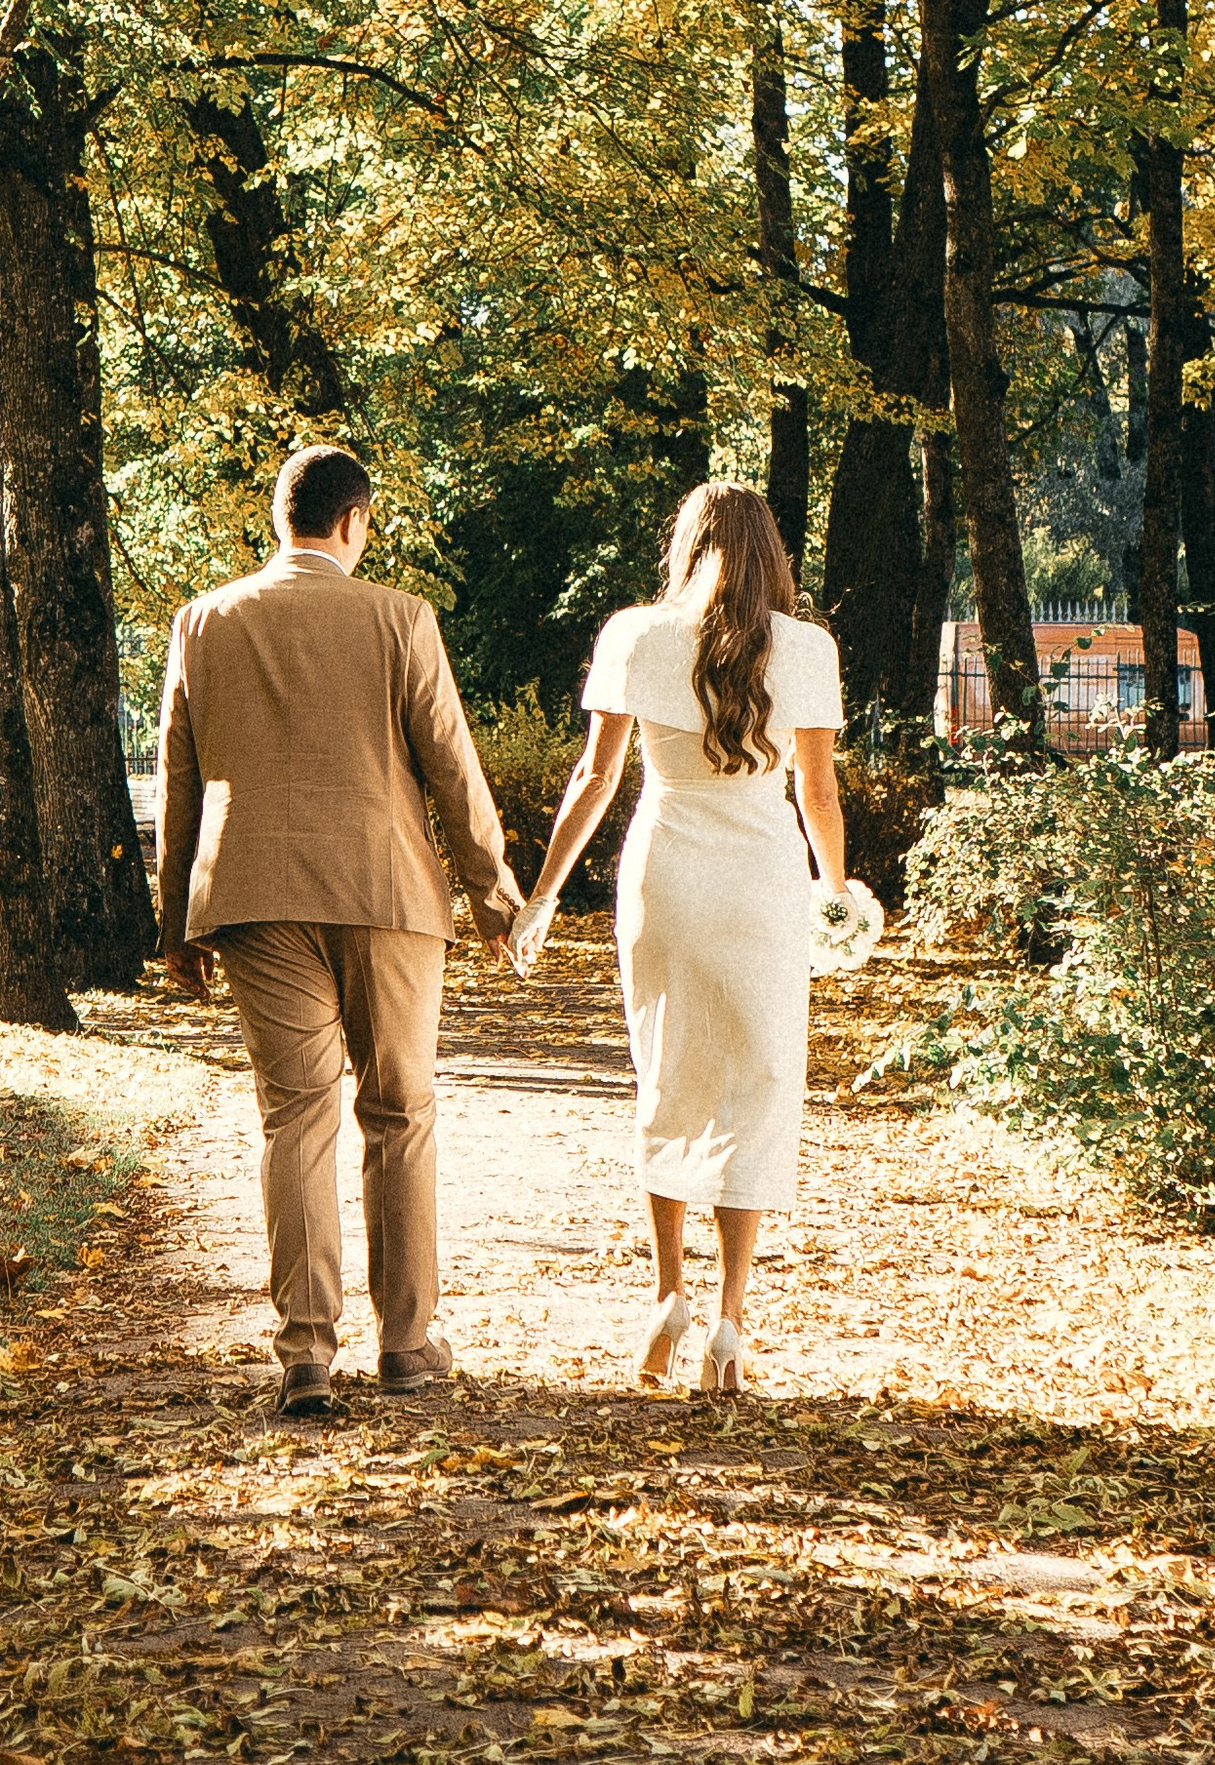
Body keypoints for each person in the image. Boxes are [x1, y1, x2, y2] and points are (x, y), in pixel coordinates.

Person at [156, 444, 522, 1423]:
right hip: (384, 892)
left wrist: (175, 922)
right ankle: (405, 1343)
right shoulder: (400, 617)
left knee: (295, 1119)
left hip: (253, 898)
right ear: (354, 521)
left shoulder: (203, 622)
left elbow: (180, 778)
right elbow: (451, 764)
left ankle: (307, 1353)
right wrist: (493, 896)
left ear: (281, 518)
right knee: (399, 1111)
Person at [509, 481, 845, 1398]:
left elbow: (595, 778)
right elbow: (817, 793)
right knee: (758, 1083)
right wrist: (835, 891)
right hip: (764, 880)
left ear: (686, 546)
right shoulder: (808, 648)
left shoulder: (634, 634)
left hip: (665, 875)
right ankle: (731, 1320)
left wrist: (543, 895)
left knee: (665, 1074)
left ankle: (666, 1298)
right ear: (772, 552)